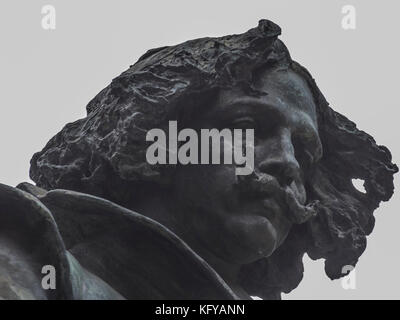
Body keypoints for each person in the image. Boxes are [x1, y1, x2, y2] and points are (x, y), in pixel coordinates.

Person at [0, 20, 397, 300]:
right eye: (248, 126)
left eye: (305, 154)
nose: (288, 163)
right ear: (155, 139)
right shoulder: (25, 267)